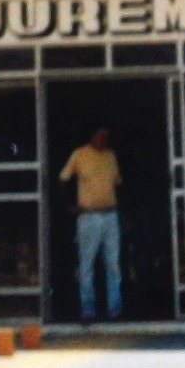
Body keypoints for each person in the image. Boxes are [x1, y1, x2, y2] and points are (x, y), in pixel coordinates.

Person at [59, 127, 123, 322]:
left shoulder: (110, 156)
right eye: (99, 135)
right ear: (92, 136)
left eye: (106, 136)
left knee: (113, 265)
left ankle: (114, 310)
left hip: (110, 214)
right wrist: (69, 206)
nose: (103, 139)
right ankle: (88, 310)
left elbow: (118, 184)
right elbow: (63, 180)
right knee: (86, 265)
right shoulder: (80, 154)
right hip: (88, 216)